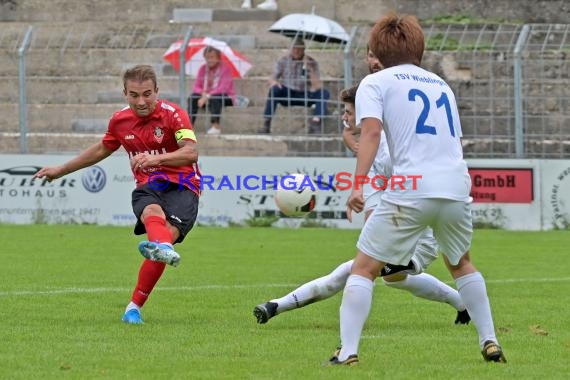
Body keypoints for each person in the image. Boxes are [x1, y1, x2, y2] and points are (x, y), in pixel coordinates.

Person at [331, 13, 506, 365]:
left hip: (413, 185)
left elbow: (371, 133)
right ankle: (490, 340)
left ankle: (347, 352)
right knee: (461, 263)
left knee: (363, 268)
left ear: (376, 52)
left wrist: (359, 183)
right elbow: (454, 140)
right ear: (418, 48)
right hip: (456, 184)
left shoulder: (375, 82)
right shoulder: (441, 84)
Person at [253, 83, 471, 331]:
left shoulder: (393, 152)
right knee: (394, 278)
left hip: (422, 231)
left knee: (357, 270)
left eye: (348, 111)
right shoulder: (374, 157)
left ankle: (277, 306)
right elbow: (374, 208)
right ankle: (462, 303)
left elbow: (414, 194)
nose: (344, 117)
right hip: (403, 225)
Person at [33, 64, 201, 325]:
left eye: (147, 94)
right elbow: (102, 149)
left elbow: (191, 152)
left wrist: (157, 158)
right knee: (151, 214)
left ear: (157, 91)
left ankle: (135, 302)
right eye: (134, 95)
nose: (141, 101)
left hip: (184, 185)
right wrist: (61, 170)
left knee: (161, 241)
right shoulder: (120, 121)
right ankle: (137, 302)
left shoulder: (174, 115)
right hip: (149, 185)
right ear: (125, 93)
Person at [257, 37, 330, 134]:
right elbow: (272, 78)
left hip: (305, 94)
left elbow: (317, 86)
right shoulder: (283, 61)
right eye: (294, 48)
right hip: (288, 92)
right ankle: (267, 123)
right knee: (274, 90)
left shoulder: (311, 62)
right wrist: (275, 82)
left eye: (299, 48)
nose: (296, 51)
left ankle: (315, 122)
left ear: (303, 49)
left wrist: (309, 68)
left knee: (324, 93)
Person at [188, 46, 236, 135]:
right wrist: (203, 93)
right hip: (205, 97)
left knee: (215, 97)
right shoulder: (203, 69)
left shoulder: (225, 69)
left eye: (212, 57)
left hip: (225, 97)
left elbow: (223, 88)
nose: (209, 60)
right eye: (207, 57)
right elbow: (196, 86)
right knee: (193, 97)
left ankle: (215, 126)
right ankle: (190, 127)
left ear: (218, 57)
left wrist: (207, 96)